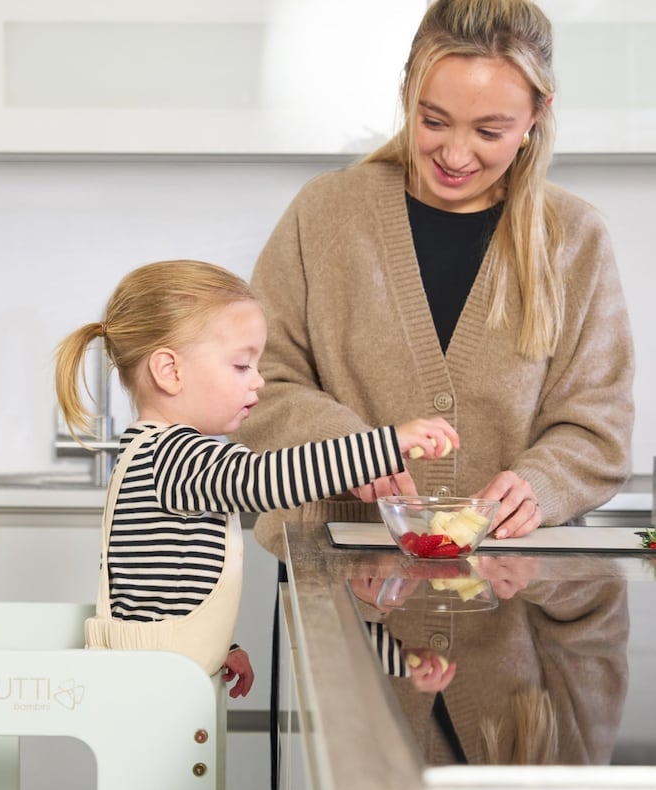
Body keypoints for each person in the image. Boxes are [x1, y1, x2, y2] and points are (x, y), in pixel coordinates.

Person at [53, 258, 459, 790]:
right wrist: (388, 441)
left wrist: (222, 648)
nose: (259, 383)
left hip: (161, 690)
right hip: (147, 704)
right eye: (242, 365)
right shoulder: (178, 457)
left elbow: (165, 585)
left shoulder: (166, 458)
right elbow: (267, 480)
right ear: (170, 371)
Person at [234, 0, 635, 563]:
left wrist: (542, 484)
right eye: (434, 120)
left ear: (536, 115)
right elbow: (258, 384)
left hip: (512, 597)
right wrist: (352, 452)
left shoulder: (575, 238)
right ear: (407, 93)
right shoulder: (323, 213)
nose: (454, 154)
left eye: (489, 131)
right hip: (337, 582)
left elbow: (598, 426)